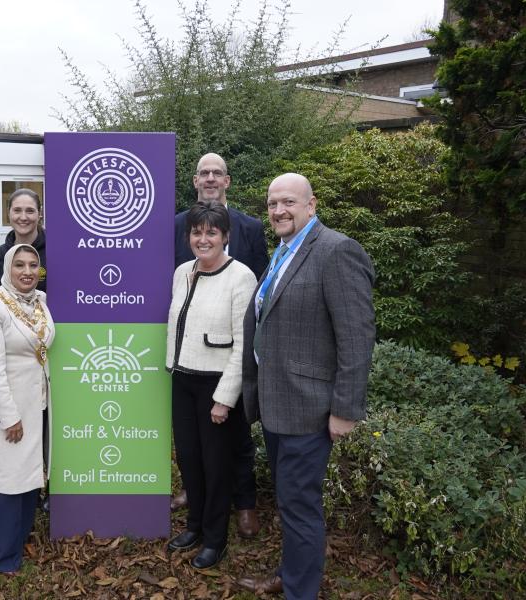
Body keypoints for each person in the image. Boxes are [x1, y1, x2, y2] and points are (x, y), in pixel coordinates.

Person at [237, 173, 375, 599]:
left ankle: (300, 590)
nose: (279, 210)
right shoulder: (282, 251)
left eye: (289, 202)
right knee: (290, 502)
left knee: (299, 506)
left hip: (310, 407)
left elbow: (356, 335)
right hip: (278, 402)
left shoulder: (336, 251)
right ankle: (292, 575)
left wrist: (345, 409)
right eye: (272, 203)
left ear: (311, 205)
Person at [172, 152, 268, 539]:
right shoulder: (178, 226)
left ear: (227, 181)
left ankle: (244, 503)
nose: (210, 178)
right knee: (196, 449)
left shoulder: (249, 227)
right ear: (195, 181)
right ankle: (198, 502)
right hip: (187, 364)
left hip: (229, 360)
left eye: (217, 173)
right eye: (203, 173)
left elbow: (259, 291)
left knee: (237, 436)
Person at [166, 201, 257, 570]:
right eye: (196, 232)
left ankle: (216, 539)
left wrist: (225, 399)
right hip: (183, 378)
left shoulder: (241, 276)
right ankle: (194, 527)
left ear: (225, 237)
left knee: (216, 465)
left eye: (211, 233)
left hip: (216, 384)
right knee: (189, 459)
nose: (203, 239)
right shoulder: (182, 271)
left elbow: (243, 344)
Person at [0, 244, 55, 575]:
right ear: (7, 269)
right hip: (8, 409)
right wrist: (9, 416)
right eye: (19, 265)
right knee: (8, 482)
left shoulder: (40, 301)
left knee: (29, 477)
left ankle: (18, 542)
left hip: (38, 404)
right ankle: (0, 556)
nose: (27, 271)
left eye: (33, 265)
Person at [0, 188, 46, 292]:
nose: (23, 217)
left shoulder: (55, 251)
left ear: (39, 213)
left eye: (30, 211)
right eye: (17, 210)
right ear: (9, 213)